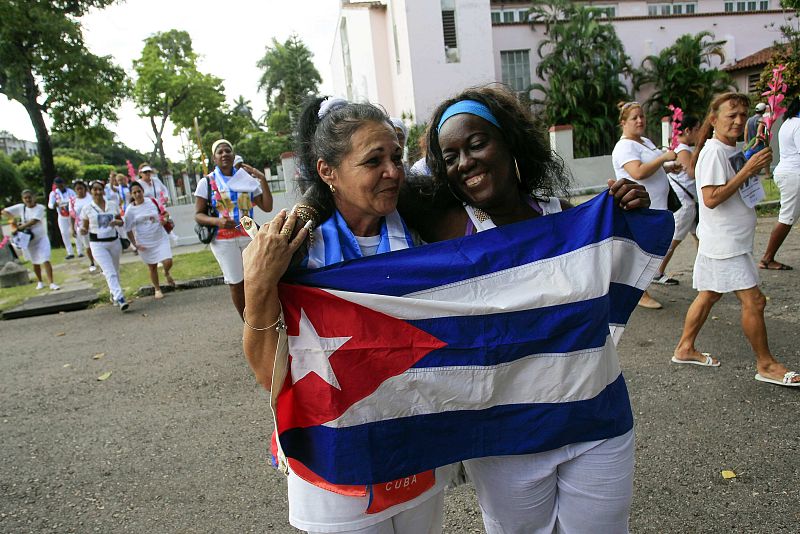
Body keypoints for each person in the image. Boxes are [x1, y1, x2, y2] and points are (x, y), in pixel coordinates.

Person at [290, 87, 651, 534]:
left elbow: (610, 282)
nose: (466, 162)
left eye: (477, 143)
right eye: (451, 155)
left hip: (595, 415)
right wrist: (302, 213)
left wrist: (630, 211)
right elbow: (350, 184)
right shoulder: (447, 225)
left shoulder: (573, 220)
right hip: (507, 433)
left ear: (510, 142)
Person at [242, 98, 449, 534]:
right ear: (327, 172)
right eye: (374, 161)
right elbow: (268, 374)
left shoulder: (423, 236)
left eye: (396, 156)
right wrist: (259, 285)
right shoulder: (297, 251)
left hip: (414, 446)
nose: (393, 171)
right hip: (334, 463)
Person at [672, 92, 799, 387]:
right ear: (714, 119)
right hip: (725, 242)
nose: (739, 120)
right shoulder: (714, 151)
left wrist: (752, 162)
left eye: (743, 115)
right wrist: (747, 171)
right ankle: (766, 364)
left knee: (710, 294)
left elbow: (740, 184)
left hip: (726, 239)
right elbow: (711, 198)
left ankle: (684, 348)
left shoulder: (729, 149)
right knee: (754, 301)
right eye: (732, 115)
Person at [193, 139, 273, 318]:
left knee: (257, 278)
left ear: (233, 154)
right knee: (236, 282)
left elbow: (267, 206)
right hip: (223, 240)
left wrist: (261, 179)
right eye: (220, 152)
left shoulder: (246, 178)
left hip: (248, 235)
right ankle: (248, 323)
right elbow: (198, 214)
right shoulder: (207, 182)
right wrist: (217, 222)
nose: (224, 154)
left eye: (227, 150)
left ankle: (261, 317)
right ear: (214, 158)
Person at [612, 101, 679, 309]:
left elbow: (651, 171)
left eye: (642, 116)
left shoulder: (644, 141)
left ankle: (633, 288)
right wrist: (664, 158)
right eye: (634, 118)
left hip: (656, 205)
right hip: (640, 206)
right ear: (623, 123)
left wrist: (668, 168)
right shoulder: (624, 147)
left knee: (647, 250)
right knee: (642, 252)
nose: (640, 120)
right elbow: (638, 172)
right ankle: (639, 293)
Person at [655, 115, 702, 284]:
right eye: (697, 129)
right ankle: (657, 272)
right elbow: (691, 173)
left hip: (687, 200)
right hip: (684, 203)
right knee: (673, 240)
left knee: (699, 237)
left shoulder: (680, 148)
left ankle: (703, 270)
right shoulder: (684, 150)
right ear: (688, 131)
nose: (699, 132)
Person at [759, 96, 800, 271]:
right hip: (794, 175)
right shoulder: (798, 124)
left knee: (788, 216)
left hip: (787, 172)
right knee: (787, 217)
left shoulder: (788, 123)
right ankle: (767, 258)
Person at [80, 180, 129, 311]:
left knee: (115, 270)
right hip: (97, 243)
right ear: (90, 192)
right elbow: (84, 227)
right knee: (109, 271)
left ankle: (113, 294)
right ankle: (120, 298)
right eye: (95, 190)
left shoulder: (112, 205)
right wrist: (82, 231)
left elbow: (121, 221)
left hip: (113, 241)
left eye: (100, 189)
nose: (98, 192)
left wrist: (115, 222)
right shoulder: (87, 208)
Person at [124, 181, 175, 299]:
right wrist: (135, 244)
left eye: (139, 191)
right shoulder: (130, 211)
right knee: (152, 266)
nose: (137, 194)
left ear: (143, 191)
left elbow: (165, 213)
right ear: (131, 195)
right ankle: (157, 289)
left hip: (160, 237)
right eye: (134, 192)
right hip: (144, 241)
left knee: (168, 261)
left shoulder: (152, 201)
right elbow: (128, 229)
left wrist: (165, 220)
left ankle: (166, 272)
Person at [2, 190, 60, 290]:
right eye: (26, 198)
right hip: (29, 239)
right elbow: (4, 211)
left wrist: (20, 227)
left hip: (41, 237)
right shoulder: (21, 207)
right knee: (35, 261)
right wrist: (12, 220)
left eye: (30, 197)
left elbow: (34, 221)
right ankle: (40, 281)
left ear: (34, 197)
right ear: (23, 199)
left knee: (45, 258)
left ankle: (51, 282)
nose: (28, 200)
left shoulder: (40, 208)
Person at [69, 180, 97, 272]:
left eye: (81, 188)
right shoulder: (73, 201)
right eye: (78, 189)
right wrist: (72, 228)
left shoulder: (91, 197)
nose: (80, 191)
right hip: (81, 225)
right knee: (87, 245)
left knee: (96, 243)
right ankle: (92, 262)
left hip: (93, 223)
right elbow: (72, 215)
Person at [47, 177, 77, 259]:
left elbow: (76, 199)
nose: (60, 185)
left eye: (61, 183)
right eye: (58, 184)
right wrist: (54, 205)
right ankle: (70, 252)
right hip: (62, 215)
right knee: (64, 233)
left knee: (75, 231)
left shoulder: (70, 191)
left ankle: (80, 250)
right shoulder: (53, 194)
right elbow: (50, 205)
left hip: (72, 214)